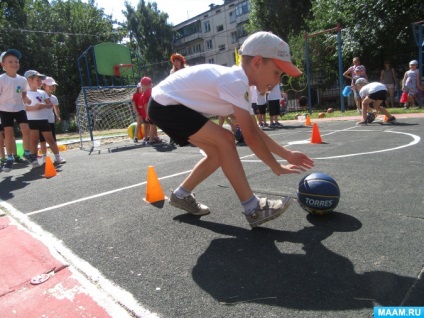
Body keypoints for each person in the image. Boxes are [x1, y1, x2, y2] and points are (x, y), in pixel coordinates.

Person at [148, 31, 314, 227]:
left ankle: (181, 195)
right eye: (277, 73)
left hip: (168, 105)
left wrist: (287, 154)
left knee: (219, 153)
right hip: (165, 105)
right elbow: (251, 137)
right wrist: (275, 166)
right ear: (257, 63)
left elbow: (254, 130)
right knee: (226, 139)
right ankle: (253, 208)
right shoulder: (236, 82)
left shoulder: (246, 88)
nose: (278, 81)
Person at [0, 49, 33, 172]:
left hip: (19, 108)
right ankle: (9, 158)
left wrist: (26, 99)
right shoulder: (1, 79)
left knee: (26, 130)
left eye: (16, 61)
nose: (14, 63)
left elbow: (23, 93)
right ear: (3, 64)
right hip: (4, 109)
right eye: (10, 61)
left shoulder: (22, 80)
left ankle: (27, 152)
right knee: (8, 133)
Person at [24, 70, 66, 166]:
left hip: (43, 120)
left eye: (40, 80)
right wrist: (34, 108)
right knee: (34, 141)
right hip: (31, 121)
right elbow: (23, 107)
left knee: (50, 139)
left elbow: (50, 104)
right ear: (30, 80)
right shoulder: (25, 93)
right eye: (37, 80)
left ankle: (58, 157)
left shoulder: (42, 93)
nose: (40, 82)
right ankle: (34, 159)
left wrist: (42, 106)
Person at [40, 76, 61, 163]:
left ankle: (57, 157)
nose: (52, 87)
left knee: (53, 140)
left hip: (50, 121)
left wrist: (57, 116)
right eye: (49, 86)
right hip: (41, 121)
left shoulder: (54, 98)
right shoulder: (40, 96)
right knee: (42, 140)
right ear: (44, 86)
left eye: (53, 86)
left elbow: (56, 108)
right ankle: (44, 157)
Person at [140, 76, 160, 145]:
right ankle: (154, 138)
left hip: (151, 111)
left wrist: (147, 115)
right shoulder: (154, 90)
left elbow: (146, 105)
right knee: (153, 125)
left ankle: (151, 140)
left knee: (152, 125)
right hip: (156, 110)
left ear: (144, 85)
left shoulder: (145, 94)